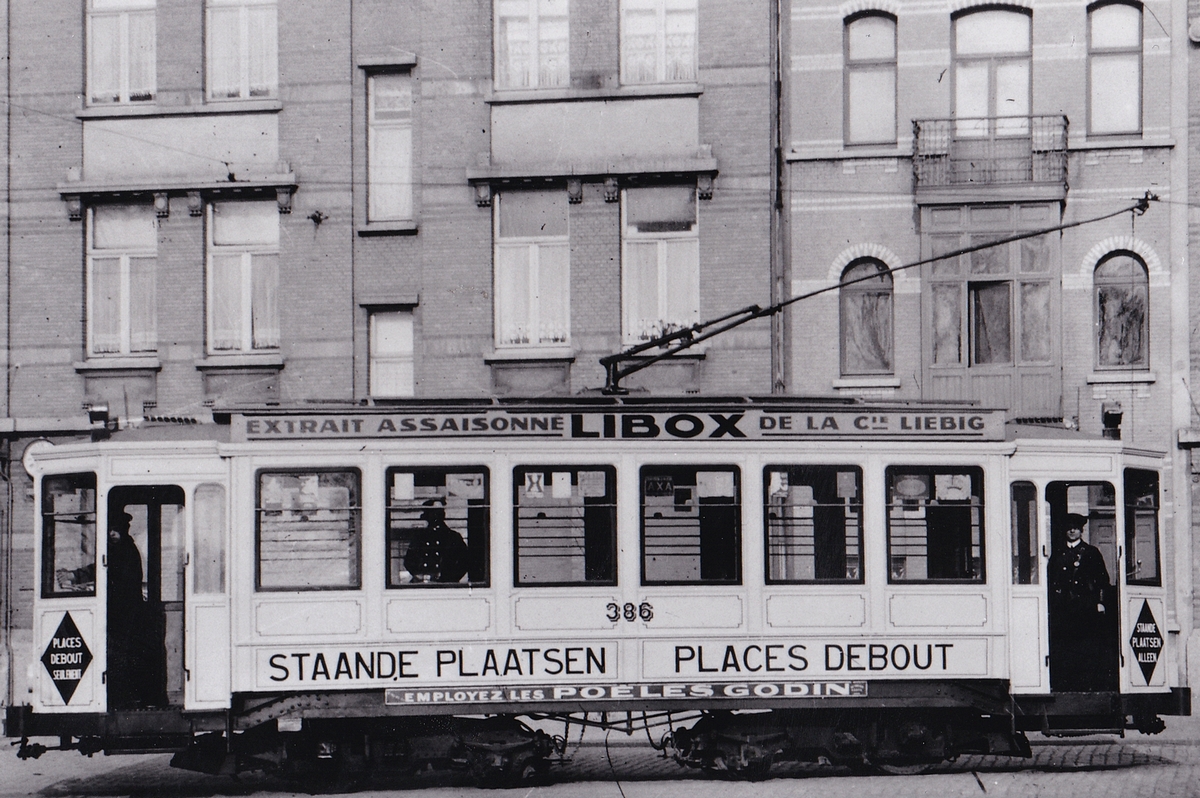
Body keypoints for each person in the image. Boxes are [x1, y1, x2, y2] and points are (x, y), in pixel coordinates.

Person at [1048, 512, 1113, 691]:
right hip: (1063, 608)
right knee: (1064, 647)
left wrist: (1100, 603)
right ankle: (1065, 684)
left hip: (1085, 607)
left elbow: (1102, 581)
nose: (1072, 531)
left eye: (1075, 528)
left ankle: (1085, 684)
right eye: (1069, 528)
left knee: (1085, 647)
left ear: (1081, 530)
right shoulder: (1058, 553)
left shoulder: (1091, 553)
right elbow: (1051, 579)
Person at [106, 511, 146, 708]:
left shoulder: (124, 551)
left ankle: (124, 698)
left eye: (116, 530)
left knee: (121, 652)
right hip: (123, 609)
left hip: (125, 611)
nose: (112, 534)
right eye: (110, 530)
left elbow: (109, 569)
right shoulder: (122, 549)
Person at [403, 499, 469, 583]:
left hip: (445, 585)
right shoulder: (420, 537)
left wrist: (449, 578)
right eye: (433, 512)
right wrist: (419, 575)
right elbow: (409, 561)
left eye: (440, 512)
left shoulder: (453, 537)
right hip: (423, 584)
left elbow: (464, 562)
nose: (437, 515)